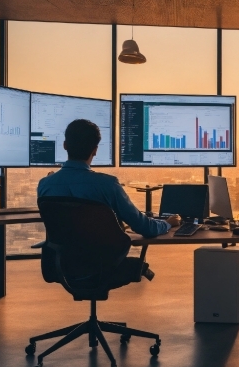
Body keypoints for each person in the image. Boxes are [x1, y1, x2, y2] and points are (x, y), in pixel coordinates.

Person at [38, 119, 181, 287]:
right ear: (95, 150)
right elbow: (145, 228)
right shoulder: (107, 185)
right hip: (104, 264)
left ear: (64, 145)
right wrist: (167, 224)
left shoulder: (45, 184)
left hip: (62, 264)